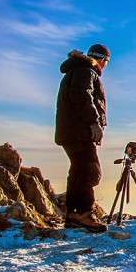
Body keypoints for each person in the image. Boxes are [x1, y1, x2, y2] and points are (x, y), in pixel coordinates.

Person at [55, 44, 110, 233]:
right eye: (106, 62)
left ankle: (73, 214)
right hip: (78, 132)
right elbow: (82, 96)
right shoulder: (86, 71)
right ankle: (83, 213)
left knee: (79, 170)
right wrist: (94, 122)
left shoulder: (78, 70)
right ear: (102, 59)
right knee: (90, 171)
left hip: (72, 131)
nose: (105, 66)